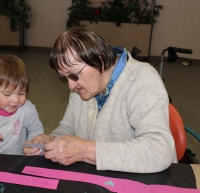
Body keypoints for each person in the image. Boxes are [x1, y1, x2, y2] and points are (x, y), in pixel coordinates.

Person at [23, 28, 176, 173]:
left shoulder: (142, 79)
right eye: (64, 78)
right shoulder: (82, 86)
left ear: (100, 60)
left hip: (143, 183)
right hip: (100, 178)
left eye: (74, 75)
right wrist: (50, 141)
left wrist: (86, 150)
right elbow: (69, 129)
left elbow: (159, 150)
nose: (71, 85)